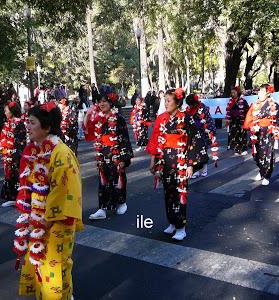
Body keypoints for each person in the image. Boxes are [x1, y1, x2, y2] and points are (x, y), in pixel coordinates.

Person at [14, 103, 83, 299]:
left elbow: (65, 191)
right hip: (39, 217)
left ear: (47, 127)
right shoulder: (34, 150)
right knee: (40, 264)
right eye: (27, 121)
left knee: (56, 263)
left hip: (56, 219)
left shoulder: (61, 153)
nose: (27, 126)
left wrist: (47, 219)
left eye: (32, 122)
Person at [146, 88, 209, 241]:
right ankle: (172, 222)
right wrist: (153, 159)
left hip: (181, 158)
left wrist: (190, 164)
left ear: (177, 102)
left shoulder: (187, 118)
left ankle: (181, 227)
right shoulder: (162, 118)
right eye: (165, 101)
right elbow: (156, 139)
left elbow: (195, 140)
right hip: (166, 159)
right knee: (168, 191)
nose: (166, 104)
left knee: (180, 192)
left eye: (169, 101)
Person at [87, 93, 134, 220]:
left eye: (104, 101)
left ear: (111, 103)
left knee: (118, 177)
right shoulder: (98, 118)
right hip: (103, 151)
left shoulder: (118, 118)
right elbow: (90, 132)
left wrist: (124, 159)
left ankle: (121, 202)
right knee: (103, 180)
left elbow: (124, 139)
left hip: (116, 151)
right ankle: (102, 208)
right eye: (99, 102)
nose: (102, 104)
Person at [243, 84, 279, 186]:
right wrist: (250, 126)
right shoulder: (254, 104)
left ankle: (266, 175)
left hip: (268, 132)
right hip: (256, 132)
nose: (260, 94)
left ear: (268, 93)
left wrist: (277, 128)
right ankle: (261, 170)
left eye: (262, 92)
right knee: (256, 154)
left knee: (267, 154)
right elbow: (248, 117)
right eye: (259, 91)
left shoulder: (273, 105)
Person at [0, 101, 26, 207]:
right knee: (8, 175)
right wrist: (4, 149)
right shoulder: (7, 123)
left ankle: (19, 197)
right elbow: (3, 137)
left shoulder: (19, 124)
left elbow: (20, 141)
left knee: (16, 175)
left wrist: (12, 152)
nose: (5, 113)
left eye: (6, 111)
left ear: (12, 111)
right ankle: (11, 197)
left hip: (15, 154)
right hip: (7, 153)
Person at [186, 93, 218, 178]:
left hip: (203, 132)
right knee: (194, 152)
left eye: (192, 104)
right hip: (193, 134)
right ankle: (196, 171)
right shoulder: (188, 110)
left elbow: (208, 120)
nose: (191, 106)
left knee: (203, 152)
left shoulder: (202, 108)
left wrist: (211, 131)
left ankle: (204, 169)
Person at [226, 86, 249, 155]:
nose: (232, 94)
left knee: (242, 135)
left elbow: (247, 111)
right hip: (233, 121)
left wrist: (244, 120)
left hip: (241, 120)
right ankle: (236, 149)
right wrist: (228, 118)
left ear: (238, 93)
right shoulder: (230, 101)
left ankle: (243, 149)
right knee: (234, 135)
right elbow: (228, 111)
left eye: (234, 92)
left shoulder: (243, 101)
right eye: (232, 93)